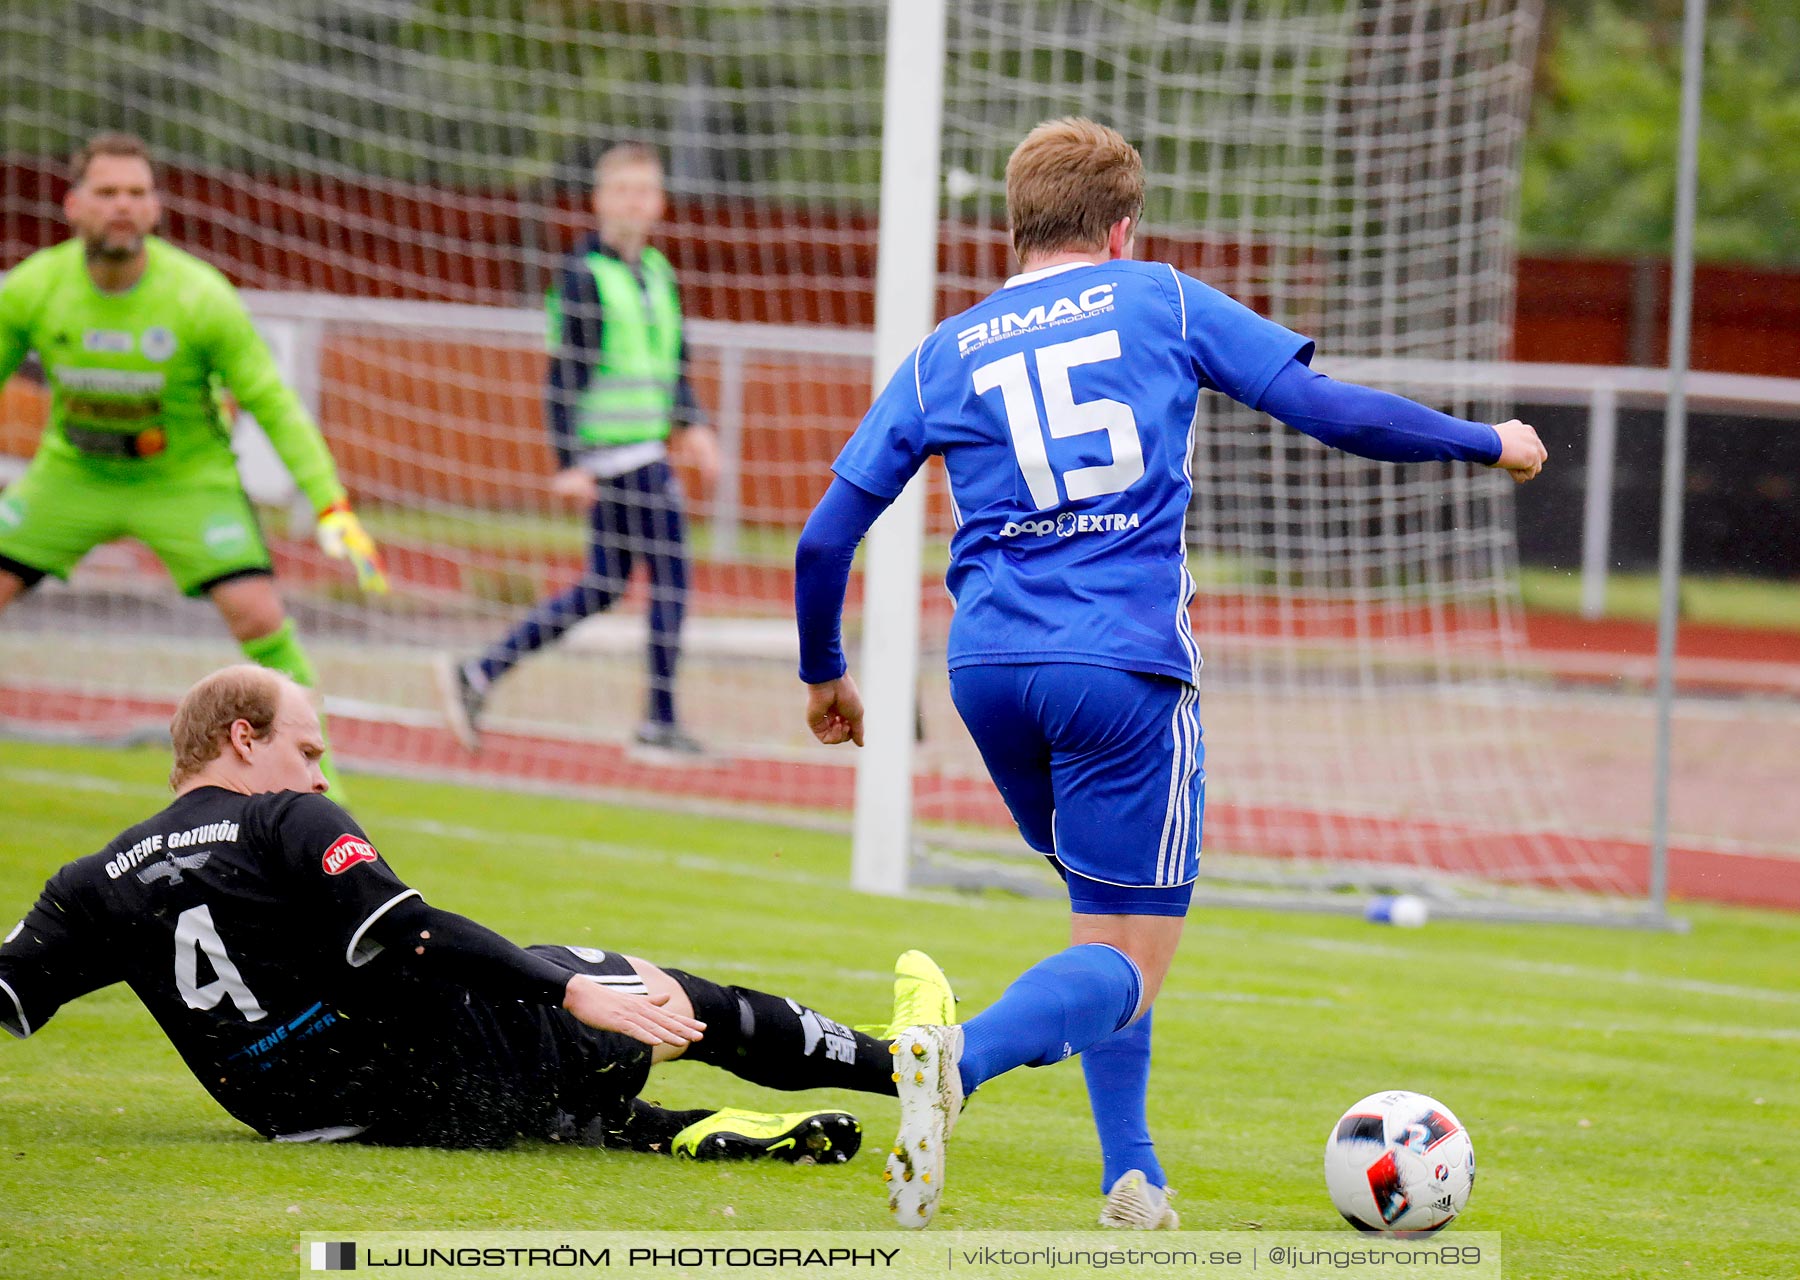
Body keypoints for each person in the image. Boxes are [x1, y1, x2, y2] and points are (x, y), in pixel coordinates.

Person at [793, 118, 1547, 1229]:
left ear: (1014, 225)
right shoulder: (1163, 298)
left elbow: (822, 538)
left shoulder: (944, 349)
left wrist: (827, 673)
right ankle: (953, 1059)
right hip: (1121, 667)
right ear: (1121, 225)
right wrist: (1487, 442)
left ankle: (1131, 1174)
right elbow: (1325, 409)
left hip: (990, 668)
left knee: (1101, 919)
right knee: (1131, 960)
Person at [0, 664, 955, 1157]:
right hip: (424, 1075)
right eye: (308, 748)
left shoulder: (91, 882)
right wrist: (566, 988)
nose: (321, 772)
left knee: (545, 1061)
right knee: (663, 998)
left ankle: (682, 1131)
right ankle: (908, 1067)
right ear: (243, 740)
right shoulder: (282, 819)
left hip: (301, 1121)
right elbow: (413, 932)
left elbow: (8, 993)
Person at [0, 132, 383, 800]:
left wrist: (330, 503)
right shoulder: (33, 288)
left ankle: (327, 799)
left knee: (258, 617)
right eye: (108, 192)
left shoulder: (200, 297)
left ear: (156, 209)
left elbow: (272, 402)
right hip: (72, 477)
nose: (123, 205)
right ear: (73, 205)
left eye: (137, 193)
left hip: (185, 481)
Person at [437, 142, 719, 759]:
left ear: (660, 203)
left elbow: (671, 364)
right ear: (598, 201)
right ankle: (659, 722)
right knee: (671, 578)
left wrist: (693, 422)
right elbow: (563, 375)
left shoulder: (656, 274)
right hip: (618, 458)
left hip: (646, 450)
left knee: (603, 586)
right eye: (622, 191)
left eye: (645, 191)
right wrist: (567, 462)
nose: (634, 203)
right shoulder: (584, 277)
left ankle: (480, 672)